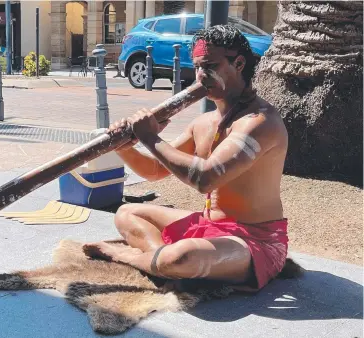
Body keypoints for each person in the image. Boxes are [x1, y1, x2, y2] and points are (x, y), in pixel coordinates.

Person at [83, 25, 289, 292]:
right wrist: (123, 146)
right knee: (126, 213)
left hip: (254, 239)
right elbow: (156, 170)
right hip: (207, 224)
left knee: (181, 257)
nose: (201, 75)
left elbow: (206, 178)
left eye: (210, 65)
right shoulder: (203, 123)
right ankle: (160, 263)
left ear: (238, 64)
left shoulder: (260, 122)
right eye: (198, 67)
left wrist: (150, 138)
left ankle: (133, 257)